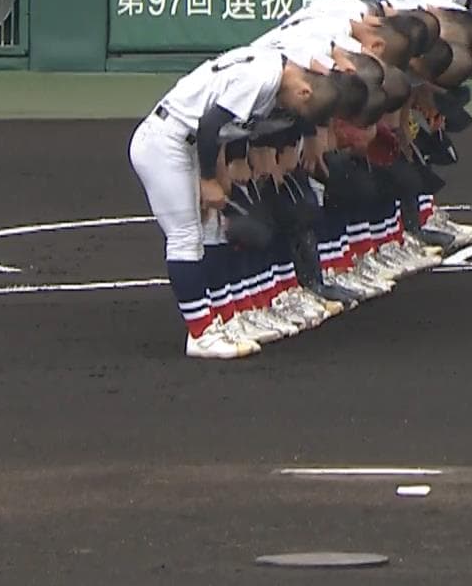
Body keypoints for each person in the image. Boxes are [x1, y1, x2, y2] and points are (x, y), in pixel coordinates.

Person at [128, 45, 348, 358]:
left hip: (185, 143)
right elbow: (208, 125)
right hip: (165, 143)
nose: (290, 112)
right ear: (303, 92)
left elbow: (220, 130)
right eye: (299, 109)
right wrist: (207, 182)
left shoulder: (276, 71)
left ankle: (222, 319)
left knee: (216, 229)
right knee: (186, 237)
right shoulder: (262, 78)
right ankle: (201, 334)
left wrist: (219, 175)